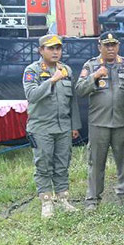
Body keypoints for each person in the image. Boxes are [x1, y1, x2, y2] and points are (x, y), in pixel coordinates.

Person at [23, 34, 81, 218]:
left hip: (63, 126)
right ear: (41, 50)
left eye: (58, 48)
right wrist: (52, 80)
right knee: (43, 165)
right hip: (41, 127)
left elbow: (72, 101)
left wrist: (74, 125)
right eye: (51, 48)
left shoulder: (66, 70)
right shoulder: (32, 70)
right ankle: (47, 201)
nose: (55, 52)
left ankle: (63, 199)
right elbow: (31, 95)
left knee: (62, 164)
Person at [75, 32, 124, 211]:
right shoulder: (91, 65)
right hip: (98, 123)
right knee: (96, 162)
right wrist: (94, 76)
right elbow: (79, 90)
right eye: (106, 45)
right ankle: (93, 199)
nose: (110, 48)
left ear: (118, 46)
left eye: (113, 45)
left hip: (122, 122)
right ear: (99, 46)